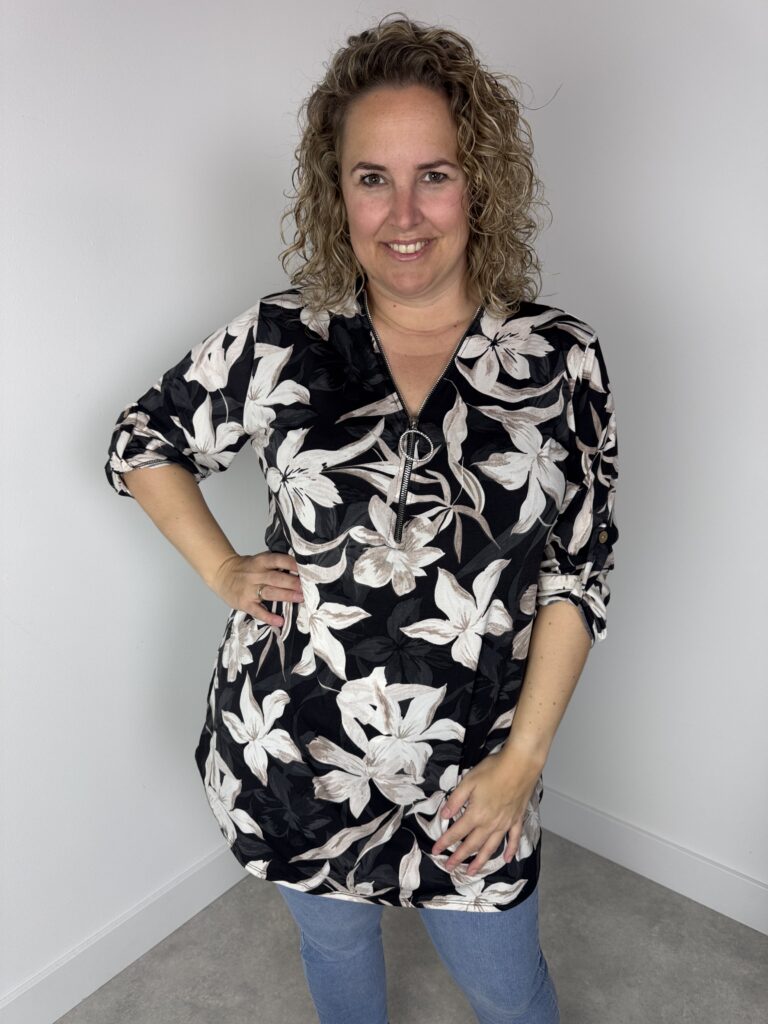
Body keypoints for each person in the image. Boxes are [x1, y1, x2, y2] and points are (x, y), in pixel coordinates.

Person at [104, 14, 619, 1024]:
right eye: (372, 177)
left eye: (435, 174)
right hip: (296, 755)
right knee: (335, 949)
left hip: (473, 775)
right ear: (335, 191)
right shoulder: (282, 337)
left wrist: (522, 764)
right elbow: (142, 439)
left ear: (480, 183)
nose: (404, 213)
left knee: (509, 991)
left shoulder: (560, 360)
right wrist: (221, 568)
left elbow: (578, 571)